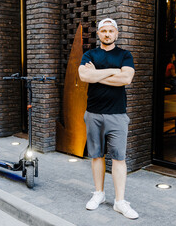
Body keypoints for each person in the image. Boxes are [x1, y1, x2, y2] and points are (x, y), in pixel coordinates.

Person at [78, 18, 138, 220]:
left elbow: (126, 78)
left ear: (116, 34)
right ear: (99, 34)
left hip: (118, 115)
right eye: (103, 30)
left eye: (111, 31)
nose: (107, 34)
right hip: (93, 113)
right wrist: (114, 71)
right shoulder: (89, 54)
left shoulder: (124, 55)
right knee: (96, 155)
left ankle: (120, 201)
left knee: (119, 158)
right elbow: (85, 77)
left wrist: (98, 74)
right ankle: (99, 194)